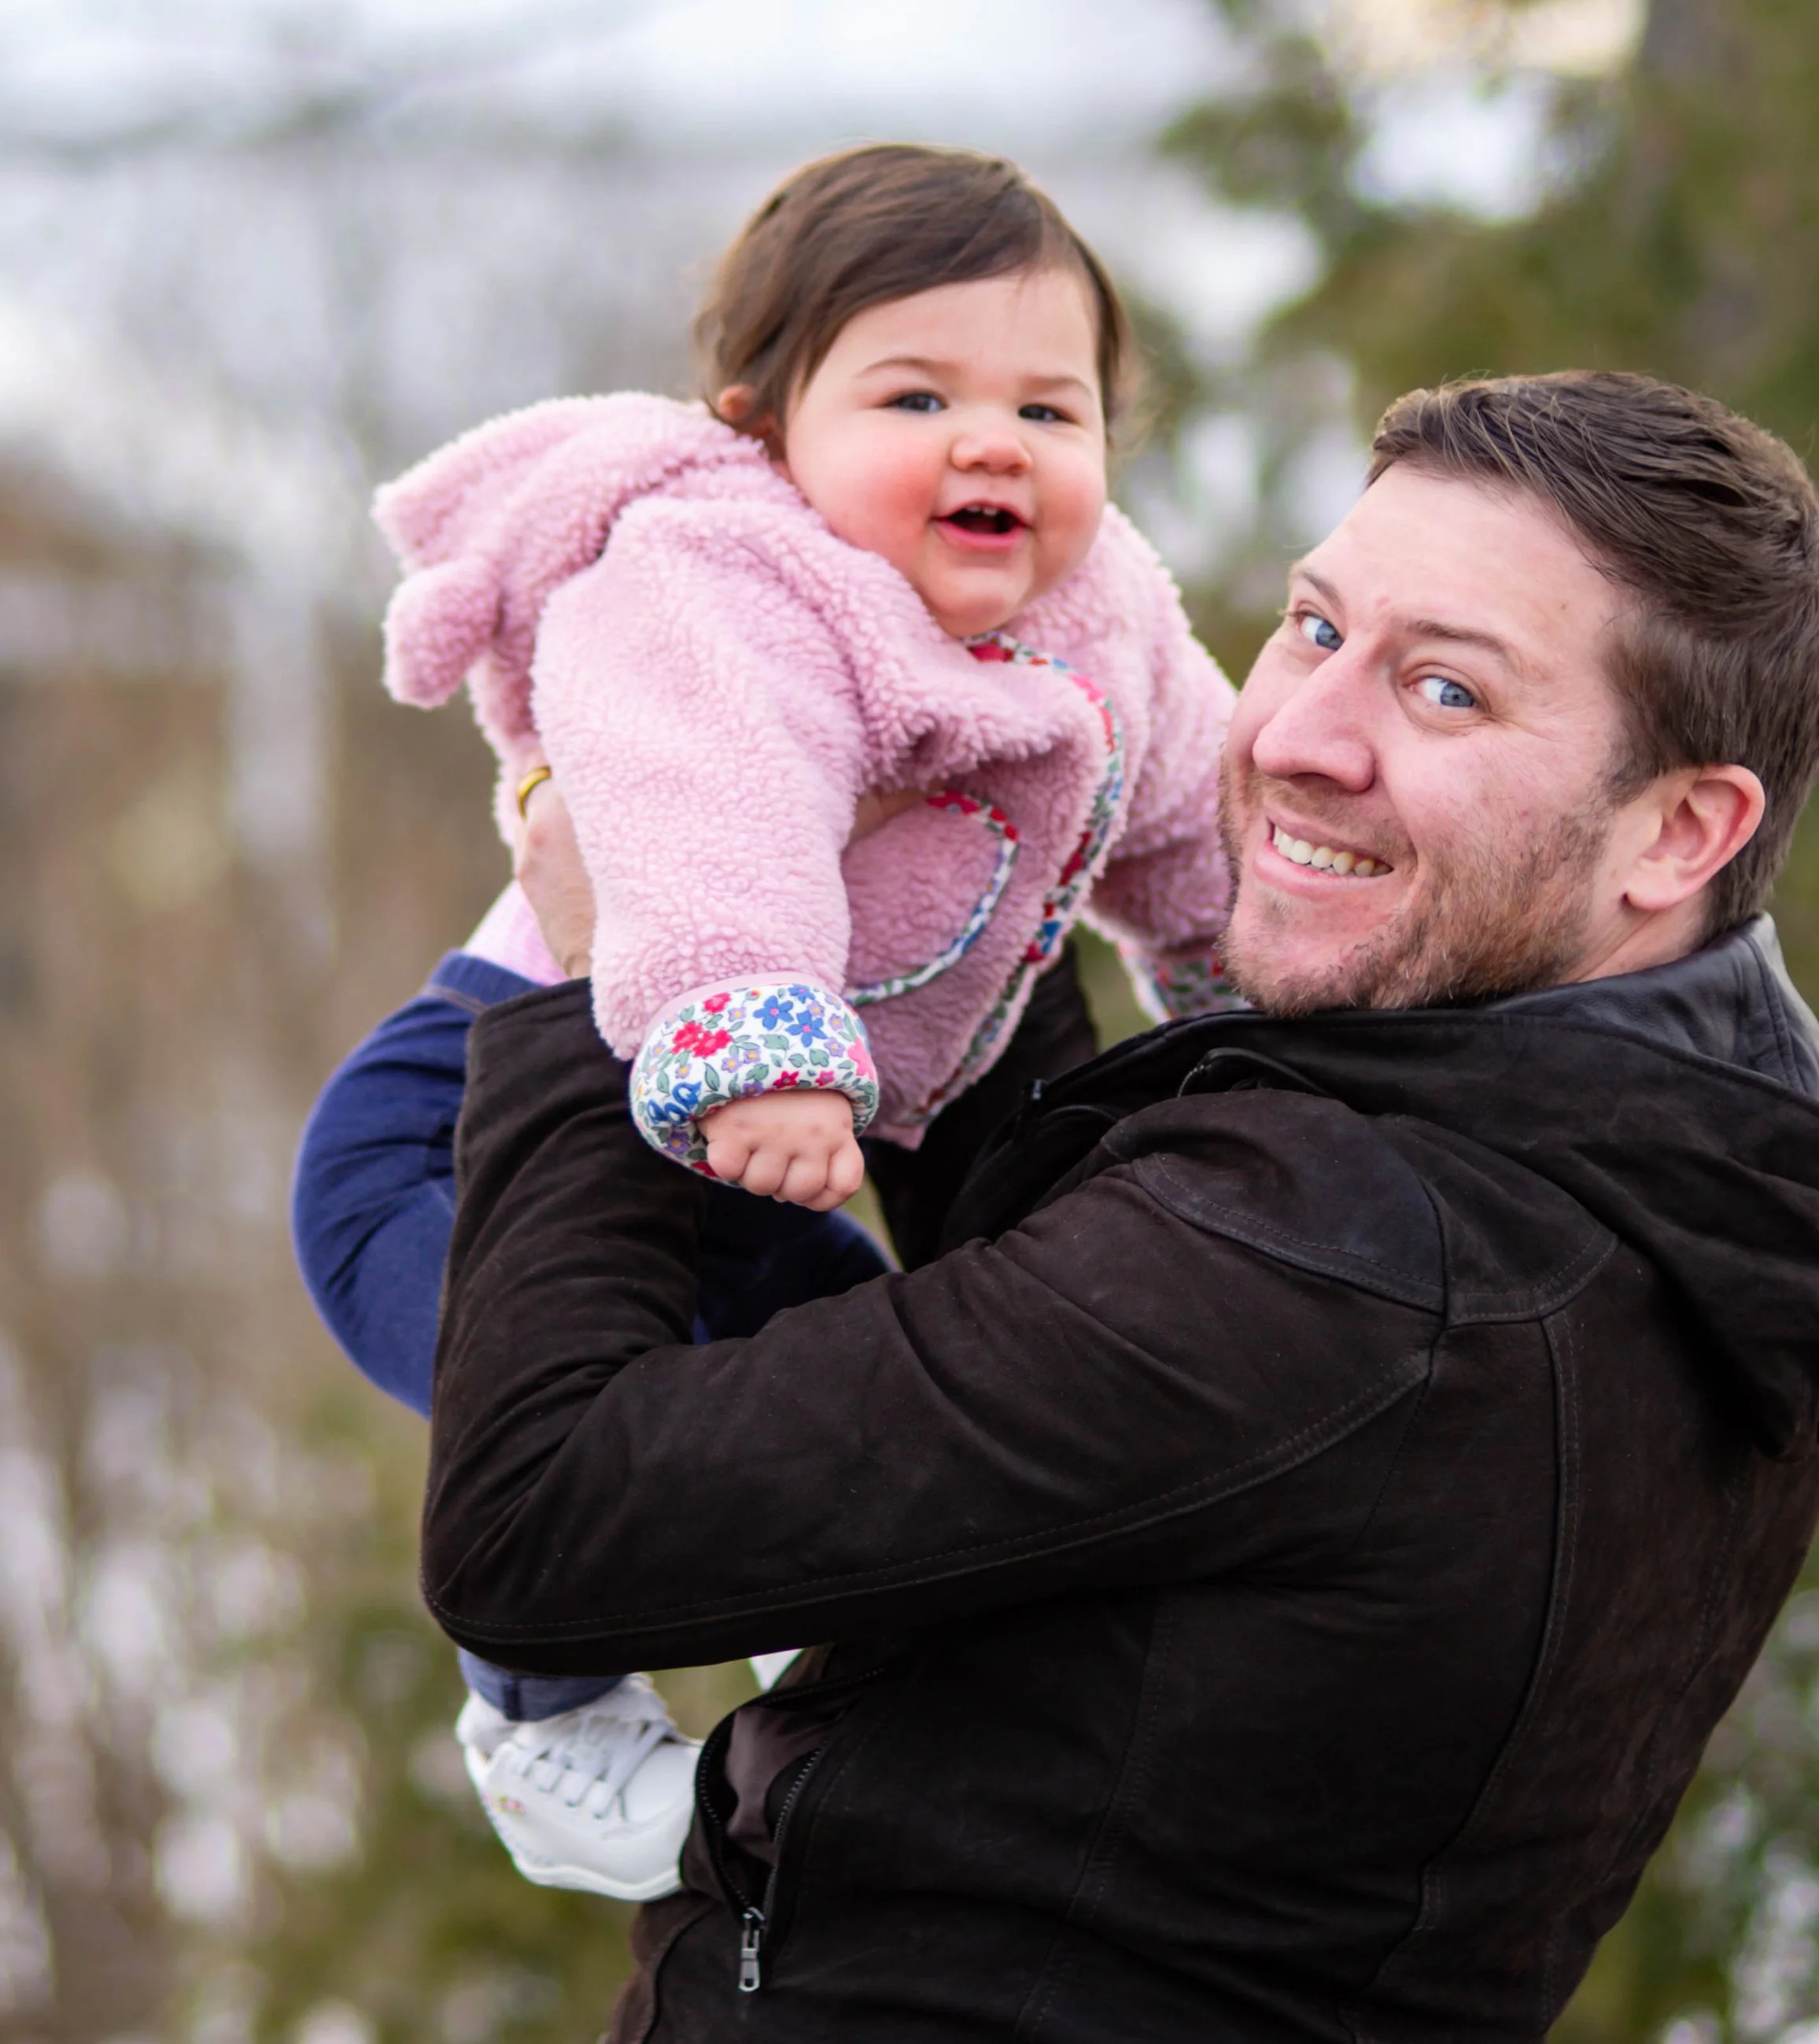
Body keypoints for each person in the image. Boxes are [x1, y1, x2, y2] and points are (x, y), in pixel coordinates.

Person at [420, 371, 1819, 2043]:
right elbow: (1082, 1365)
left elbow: (539, 1529)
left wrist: (607, 964)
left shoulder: (1355, 1264)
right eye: (1313, 628)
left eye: (1444, 691)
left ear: (1675, 832)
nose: (1300, 735)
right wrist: (916, 791)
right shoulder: (1681, 1163)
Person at [292, 143, 1238, 1898]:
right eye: (915, 393)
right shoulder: (725, 583)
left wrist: (1256, 990)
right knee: (563, 1422)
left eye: (1052, 408)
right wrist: (763, 1039)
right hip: (455, 1135)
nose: (992, 443)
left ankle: (847, 1678)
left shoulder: (1110, 625)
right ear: (765, 427)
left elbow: (1192, 818)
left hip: (762, 1169)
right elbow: (699, 808)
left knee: (852, 1419)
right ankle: (539, 1710)